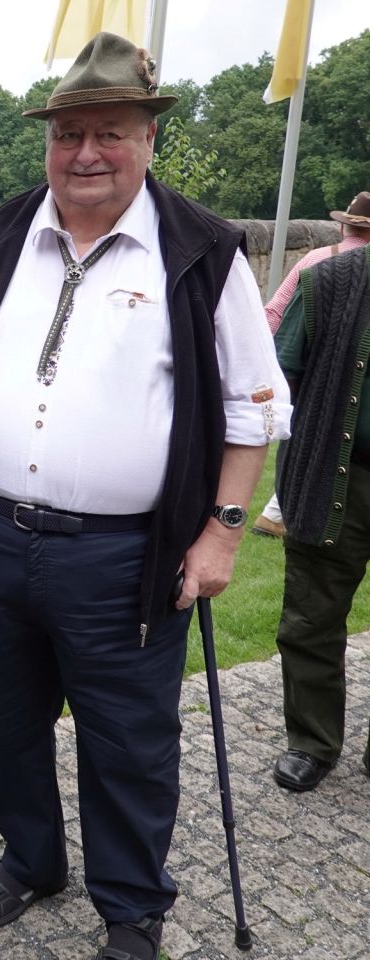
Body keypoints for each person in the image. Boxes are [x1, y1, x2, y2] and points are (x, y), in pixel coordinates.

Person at [0, 33, 290, 960]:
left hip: (125, 557)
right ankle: (30, 857)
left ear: (148, 139)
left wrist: (220, 538)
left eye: (110, 132)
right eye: (69, 134)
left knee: (126, 742)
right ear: (46, 142)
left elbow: (255, 412)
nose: (86, 153)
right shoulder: (4, 231)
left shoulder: (203, 251)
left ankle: (132, 909)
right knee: (10, 723)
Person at [270, 221, 370, 793]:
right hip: (337, 479)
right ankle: (311, 742)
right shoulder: (330, 280)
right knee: (311, 619)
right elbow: (280, 377)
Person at [252, 191, 370, 538]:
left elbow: (274, 310)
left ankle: (275, 513)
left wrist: (269, 367)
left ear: (342, 225)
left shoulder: (316, 259)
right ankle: (275, 513)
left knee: (313, 440)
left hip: (310, 374)